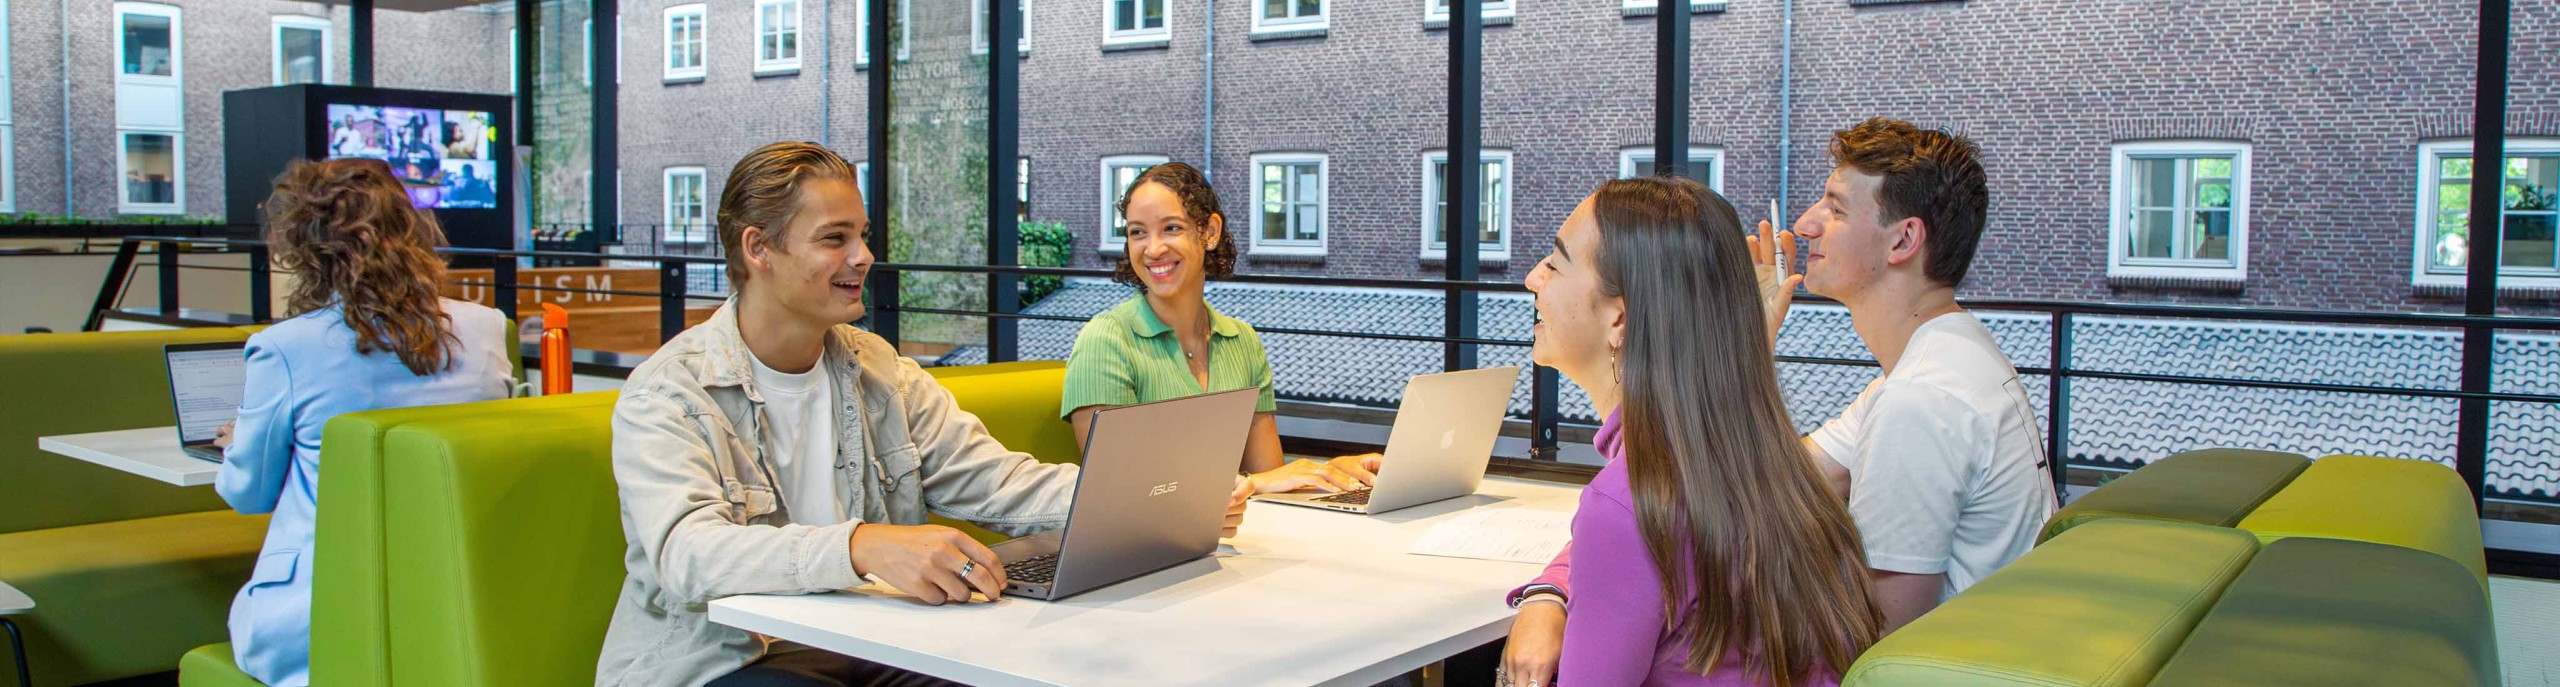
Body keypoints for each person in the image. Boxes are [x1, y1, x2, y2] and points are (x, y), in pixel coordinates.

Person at [596, 143, 1249, 687]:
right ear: (759, 249)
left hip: (875, 646)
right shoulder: (670, 392)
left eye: (863, 236)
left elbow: (1000, 483)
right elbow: (689, 554)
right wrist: (864, 546)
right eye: (835, 239)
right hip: (724, 663)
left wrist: (1146, 495)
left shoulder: (879, 369)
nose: (863, 257)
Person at [1497, 118, 2056, 685]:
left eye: (1835, 209)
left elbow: (1878, 656)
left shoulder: (1920, 403)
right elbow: (1738, 481)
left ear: (1903, 240)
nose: (1806, 223)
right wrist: (1737, 347)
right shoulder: (1938, 367)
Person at [1519, 176, 1881, 686]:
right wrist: (1549, 589)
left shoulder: (1631, 501)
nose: (1534, 278)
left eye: (1555, 264)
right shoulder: (1762, 460)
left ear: (1620, 319)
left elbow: (1628, 524)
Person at [211, 158, 516, 687]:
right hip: (455, 600)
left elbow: (249, 495)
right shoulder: (486, 327)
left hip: (315, 617)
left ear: (299, 248)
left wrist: (242, 445)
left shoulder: (283, 348)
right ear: (413, 230)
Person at [1059, 161, 1379, 496]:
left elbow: (1269, 478)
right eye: (1138, 232)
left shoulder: (1242, 341)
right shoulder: (1107, 340)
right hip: (1146, 547)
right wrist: (1253, 484)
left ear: (1209, 232)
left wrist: (1329, 472)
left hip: (1233, 536)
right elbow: (1123, 493)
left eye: (1171, 228)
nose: (1153, 249)